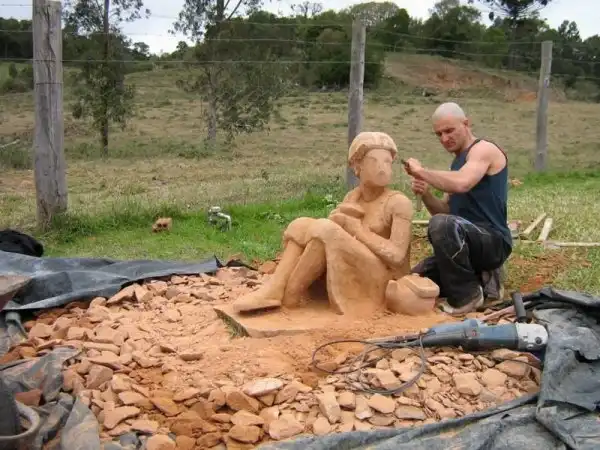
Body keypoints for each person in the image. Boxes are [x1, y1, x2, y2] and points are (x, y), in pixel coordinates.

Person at [232, 131, 414, 317]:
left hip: (384, 279)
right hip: (355, 266)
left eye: (387, 162)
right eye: (373, 161)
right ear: (357, 167)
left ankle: (289, 295)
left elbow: (397, 256)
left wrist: (357, 230)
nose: (382, 168)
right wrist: (337, 224)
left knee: (325, 229)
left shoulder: (398, 203)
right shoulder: (353, 197)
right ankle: (276, 288)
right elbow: (335, 240)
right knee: (300, 224)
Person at [403, 102, 512, 316]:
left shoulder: (483, 150)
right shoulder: (457, 164)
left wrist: (422, 172)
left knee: (442, 224)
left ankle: (467, 296)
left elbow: (462, 183)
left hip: (493, 241)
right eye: (439, 134)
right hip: (466, 244)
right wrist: (426, 194)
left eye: (449, 130)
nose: (444, 138)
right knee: (415, 280)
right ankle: (483, 280)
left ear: (466, 124)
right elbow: (444, 213)